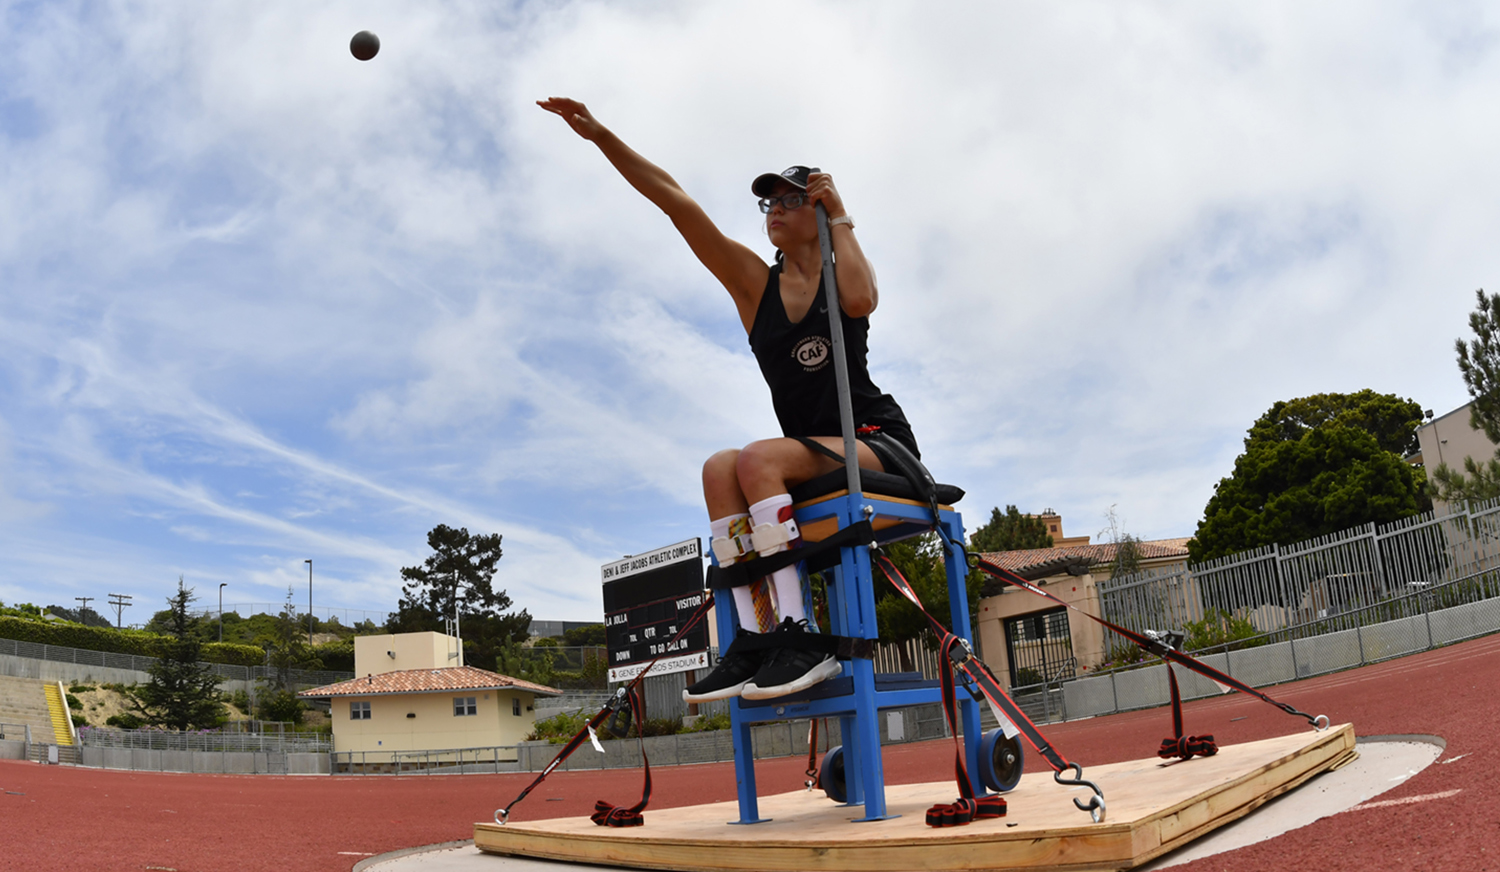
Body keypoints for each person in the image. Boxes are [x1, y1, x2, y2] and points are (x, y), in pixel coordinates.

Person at [539, 97, 921, 703]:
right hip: (806, 451)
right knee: (721, 467)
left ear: (819, 210)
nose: (775, 209)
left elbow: (860, 301)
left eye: (793, 198)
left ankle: (801, 634)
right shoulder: (753, 284)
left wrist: (842, 217)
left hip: (876, 443)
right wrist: (600, 136)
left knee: (756, 460)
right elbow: (676, 202)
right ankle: (757, 635)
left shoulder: (840, 265)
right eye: (770, 201)